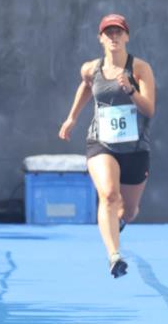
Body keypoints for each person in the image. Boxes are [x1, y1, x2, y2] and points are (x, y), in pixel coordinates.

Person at [59, 14, 155, 278]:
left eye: (118, 32)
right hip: (101, 143)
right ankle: (114, 256)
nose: (113, 37)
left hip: (135, 149)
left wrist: (131, 90)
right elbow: (87, 87)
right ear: (101, 38)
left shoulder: (140, 69)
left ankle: (122, 220)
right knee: (109, 195)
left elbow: (149, 108)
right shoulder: (91, 68)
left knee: (129, 210)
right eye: (108, 33)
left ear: (126, 37)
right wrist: (72, 118)